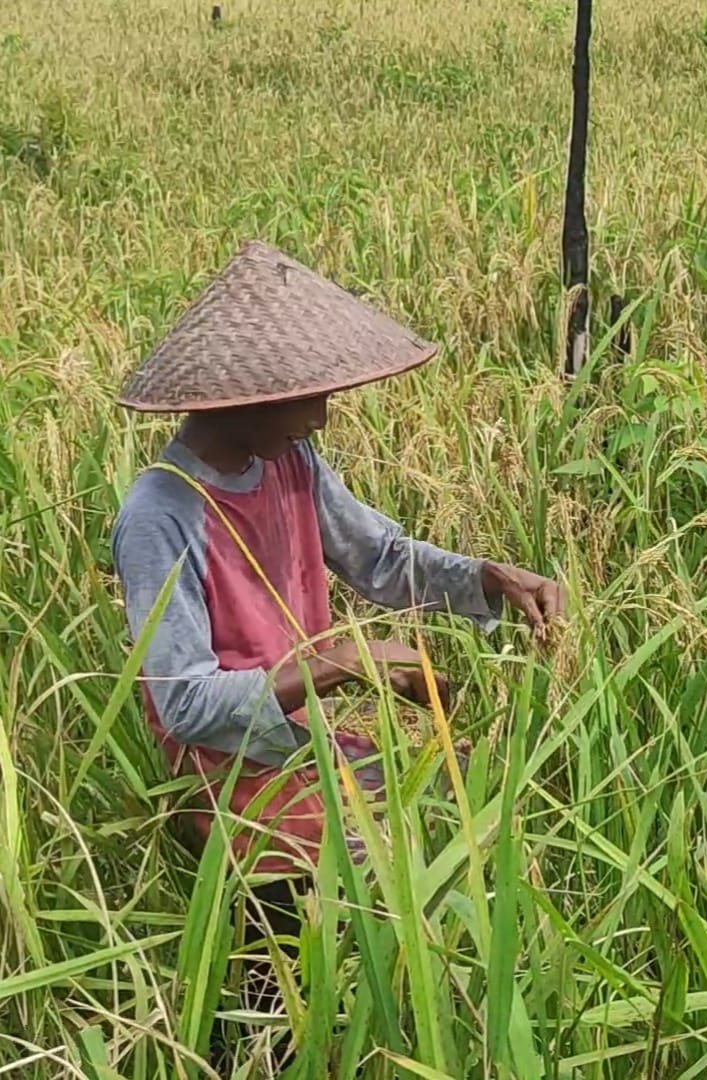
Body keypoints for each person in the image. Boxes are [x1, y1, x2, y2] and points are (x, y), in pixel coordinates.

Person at [110, 240, 563, 1056]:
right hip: (232, 770)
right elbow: (182, 703)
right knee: (279, 981)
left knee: (455, 806)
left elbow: (380, 560)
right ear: (242, 397)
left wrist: (486, 580)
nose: (321, 415)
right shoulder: (162, 512)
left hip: (308, 744)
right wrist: (338, 664)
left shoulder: (292, 461)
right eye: (307, 397)